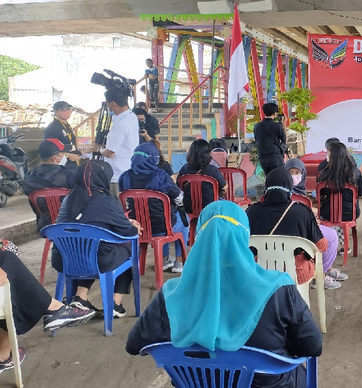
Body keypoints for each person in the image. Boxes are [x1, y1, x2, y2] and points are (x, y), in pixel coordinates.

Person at [126, 201, 323, 388]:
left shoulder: (170, 294)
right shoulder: (279, 288)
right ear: (244, 236)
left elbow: (134, 345)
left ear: (199, 238)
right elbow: (312, 346)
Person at [52, 160, 141, 317]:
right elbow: (128, 232)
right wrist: (132, 225)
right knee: (129, 248)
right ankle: (115, 303)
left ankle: (81, 296)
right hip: (98, 261)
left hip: (63, 259)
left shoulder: (69, 198)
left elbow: (60, 226)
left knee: (88, 247)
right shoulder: (108, 202)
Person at [247, 169, 347, 290]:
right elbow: (322, 246)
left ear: (266, 187)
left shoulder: (251, 211)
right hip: (296, 274)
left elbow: (244, 245)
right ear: (290, 187)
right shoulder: (302, 212)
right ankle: (320, 278)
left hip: (261, 272)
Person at [0, 250, 96, 372]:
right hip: (86, 259)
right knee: (5, 260)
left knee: (5, 281)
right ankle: (54, 308)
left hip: (63, 259)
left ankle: (3, 356)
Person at [119, 142, 187, 274]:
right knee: (183, 221)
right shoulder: (161, 176)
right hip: (162, 226)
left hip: (138, 227)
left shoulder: (125, 177)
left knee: (166, 217)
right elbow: (179, 198)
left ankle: (164, 259)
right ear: (153, 158)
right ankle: (179, 261)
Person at [317, 142, 362, 254]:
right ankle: (343, 245)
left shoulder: (324, 173)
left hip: (327, 213)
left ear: (332, 155)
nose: (327, 155)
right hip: (351, 213)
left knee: (330, 214)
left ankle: (330, 243)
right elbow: (360, 194)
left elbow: (320, 195)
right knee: (341, 216)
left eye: (328, 152)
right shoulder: (356, 173)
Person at [22, 139, 76, 233]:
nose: (64, 156)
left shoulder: (29, 176)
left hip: (46, 225)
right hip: (70, 223)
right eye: (62, 154)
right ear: (55, 158)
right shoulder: (69, 175)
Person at [98, 87, 139, 197]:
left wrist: (98, 149)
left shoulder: (120, 125)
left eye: (107, 104)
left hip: (116, 175)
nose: (107, 107)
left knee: (117, 209)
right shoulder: (132, 116)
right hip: (127, 170)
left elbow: (110, 153)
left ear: (112, 104)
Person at [176, 139, 227, 215]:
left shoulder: (184, 169)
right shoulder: (213, 170)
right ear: (208, 154)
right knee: (227, 205)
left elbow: (179, 187)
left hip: (189, 207)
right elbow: (224, 187)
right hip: (210, 207)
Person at [253, 102, 287, 174]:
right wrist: (284, 125)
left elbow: (257, 140)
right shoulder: (277, 126)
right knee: (277, 179)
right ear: (274, 114)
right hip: (275, 158)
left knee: (269, 178)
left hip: (263, 158)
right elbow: (284, 139)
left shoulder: (256, 126)